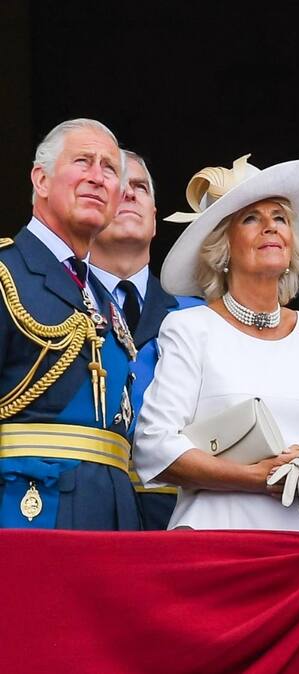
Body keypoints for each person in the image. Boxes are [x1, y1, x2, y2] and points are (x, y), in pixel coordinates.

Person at [133, 154, 299, 531]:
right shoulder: (189, 329)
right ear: (223, 249)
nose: (270, 227)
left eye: (279, 217)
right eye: (251, 219)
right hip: (223, 543)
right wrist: (259, 478)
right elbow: (155, 447)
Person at [0, 118, 141, 530]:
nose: (97, 177)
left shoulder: (103, 294)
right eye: (83, 162)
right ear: (41, 180)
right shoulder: (7, 273)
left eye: (110, 169)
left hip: (112, 514)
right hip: (27, 511)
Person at [90, 150, 201, 529]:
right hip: (83, 512)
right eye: (116, 187)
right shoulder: (53, 306)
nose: (129, 194)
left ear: (154, 218)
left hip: (181, 516)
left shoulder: (200, 317)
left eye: (140, 187)